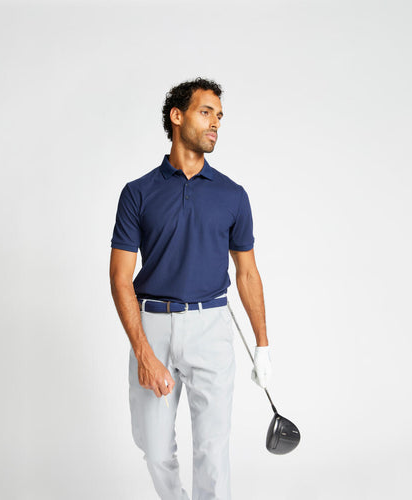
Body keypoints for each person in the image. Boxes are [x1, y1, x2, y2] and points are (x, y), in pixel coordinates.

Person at [109, 77, 272, 500]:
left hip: (210, 327)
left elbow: (248, 273)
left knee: (212, 452)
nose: (215, 123)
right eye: (205, 112)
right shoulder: (138, 193)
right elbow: (120, 277)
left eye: (219, 116)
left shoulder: (233, 195)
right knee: (154, 449)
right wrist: (144, 352)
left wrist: (262, 344)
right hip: (152, 326)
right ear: (177, 116)